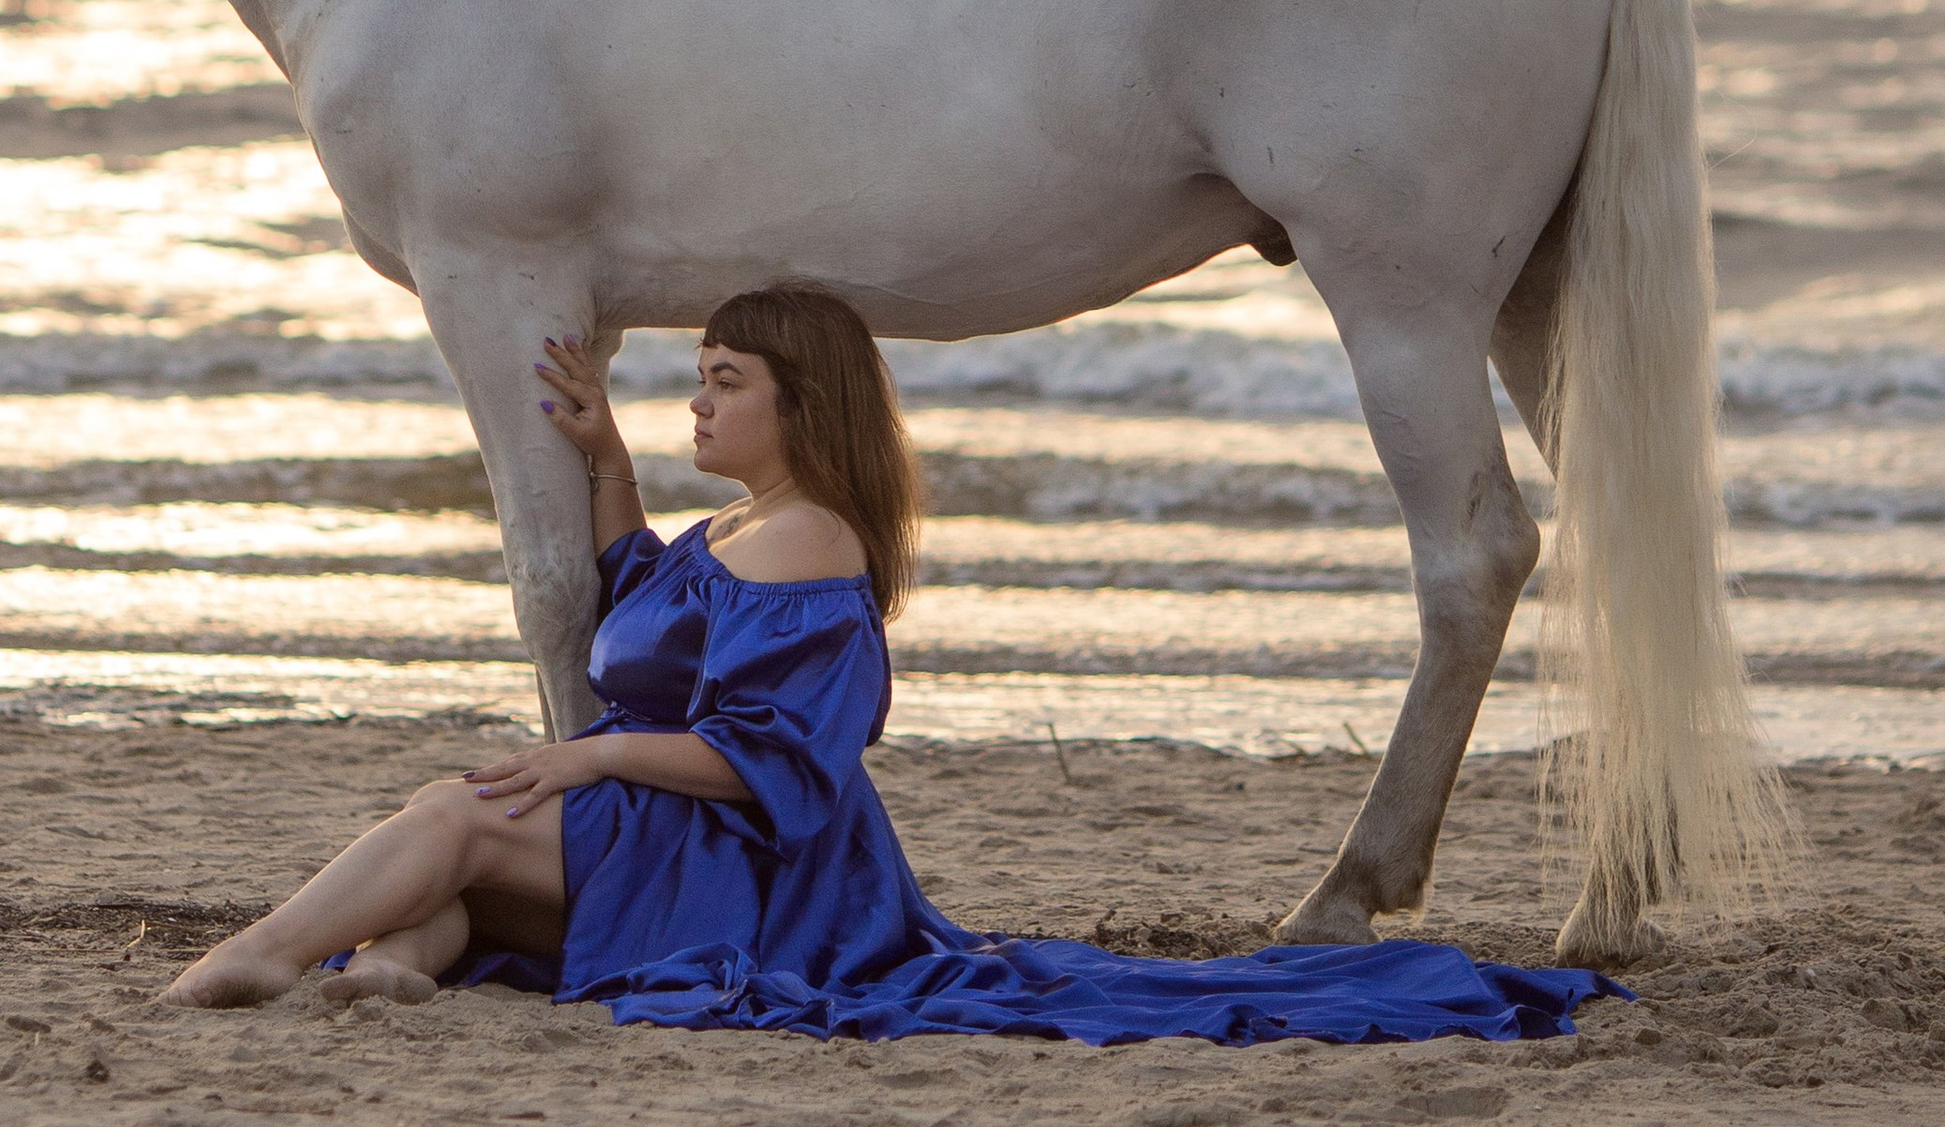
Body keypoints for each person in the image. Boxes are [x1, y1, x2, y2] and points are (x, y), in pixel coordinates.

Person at [160, 285, 1618, 1046]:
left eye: (729, 384)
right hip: (681, 834)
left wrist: (590, 752)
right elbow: (638, 601)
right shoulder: (748, 526)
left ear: (805, 406)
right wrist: (604, 460)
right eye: (701, 379)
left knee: (457, 811)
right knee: (459, 884)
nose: (700, 402)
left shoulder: (812, 546)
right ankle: (387, 974)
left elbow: (770, 764)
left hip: (758, 865)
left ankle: (253, 960)